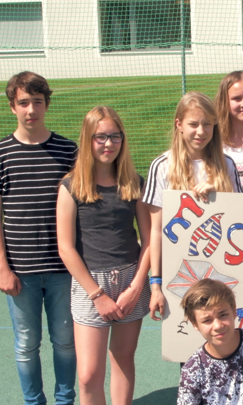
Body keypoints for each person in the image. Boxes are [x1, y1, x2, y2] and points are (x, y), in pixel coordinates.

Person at [0, 71, 77, 405]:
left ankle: (65, 400)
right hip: (21, 271)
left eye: (37, 101)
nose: (31, 109)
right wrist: (2, 268)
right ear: (12, 106)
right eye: (23, 103)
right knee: (26, 344)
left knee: (65, 342)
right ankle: (34, 402)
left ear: (47, 104)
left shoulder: (68, 150)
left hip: (63, 269)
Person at [56, 106, 165, 405]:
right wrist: (97, 295)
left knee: (123, 360)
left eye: (115, 136)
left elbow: (149, 240)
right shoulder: (70, 187)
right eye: (100, 137)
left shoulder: (135, 184)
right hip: (90, 286)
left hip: (131, 280)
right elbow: (65, 248)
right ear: (87, 140)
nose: (108, 144)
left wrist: (137, 286)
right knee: (88, 374)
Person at [141, 91, 242, 305]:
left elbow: (241, 220)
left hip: (222, 268)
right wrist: (156, 283)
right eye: (193, 124)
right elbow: (156, 231)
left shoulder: (227, 165)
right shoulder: (162, 166)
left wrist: (220, 191)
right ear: (179, 124)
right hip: (178, 271)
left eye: (207, 124)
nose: (201, 131)